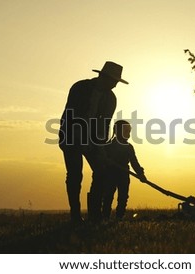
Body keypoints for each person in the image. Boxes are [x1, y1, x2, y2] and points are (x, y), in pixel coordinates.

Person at [58, 61, 128, 224]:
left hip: (93, 140)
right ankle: (75, 215)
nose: (116, 86)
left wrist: (101, 147)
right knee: (75, 174)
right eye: (114, 81)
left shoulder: (111, 98)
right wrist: (80, 139)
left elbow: (105, 125)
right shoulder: (79, 88)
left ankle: (94, 215)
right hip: (70, 136)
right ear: (103, 77)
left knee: (102, 172)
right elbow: (72, 115)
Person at [99, 120, 147, 220]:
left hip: (124, 175)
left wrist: (140, 174)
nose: (128, 134)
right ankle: (105, 217)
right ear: (117, 132)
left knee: (123, 197)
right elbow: (102, 160)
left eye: (129, 132)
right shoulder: (108, 146)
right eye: (125, 131)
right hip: (110, 174)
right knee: (108, 196)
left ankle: (119, 216)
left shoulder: (129, 147)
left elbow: (134, 162)